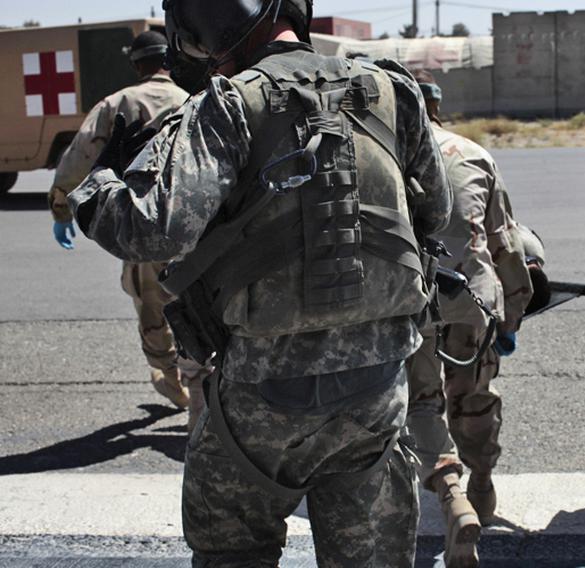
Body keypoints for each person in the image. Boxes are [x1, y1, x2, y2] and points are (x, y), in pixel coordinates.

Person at [67, 0, 451, 565]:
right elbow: (434, 216)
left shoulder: (227, 104)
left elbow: (151, 234)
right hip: (376, 391)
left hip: (263, 396)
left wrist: (101, 185)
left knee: (233, 554)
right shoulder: (393, 90)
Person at [406, 69, 532, 566]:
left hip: (411, 303)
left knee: (421, 404)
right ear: (437, 107)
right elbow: (506, 243)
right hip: (474, 300)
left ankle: (451, 496)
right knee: (475, 395)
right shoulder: (475, 153)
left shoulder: (383, 158)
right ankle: (481, 484)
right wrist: (513, 314)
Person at [48, 31, 199, 422]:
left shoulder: (118, 103)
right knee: (198, 307)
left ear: (135, 65)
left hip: (144, 225)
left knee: (153, 309)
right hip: (197, 227)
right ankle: (200, 383)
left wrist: (62, 209)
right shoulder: (194, 99)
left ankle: (173, 380)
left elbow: (78, 159)